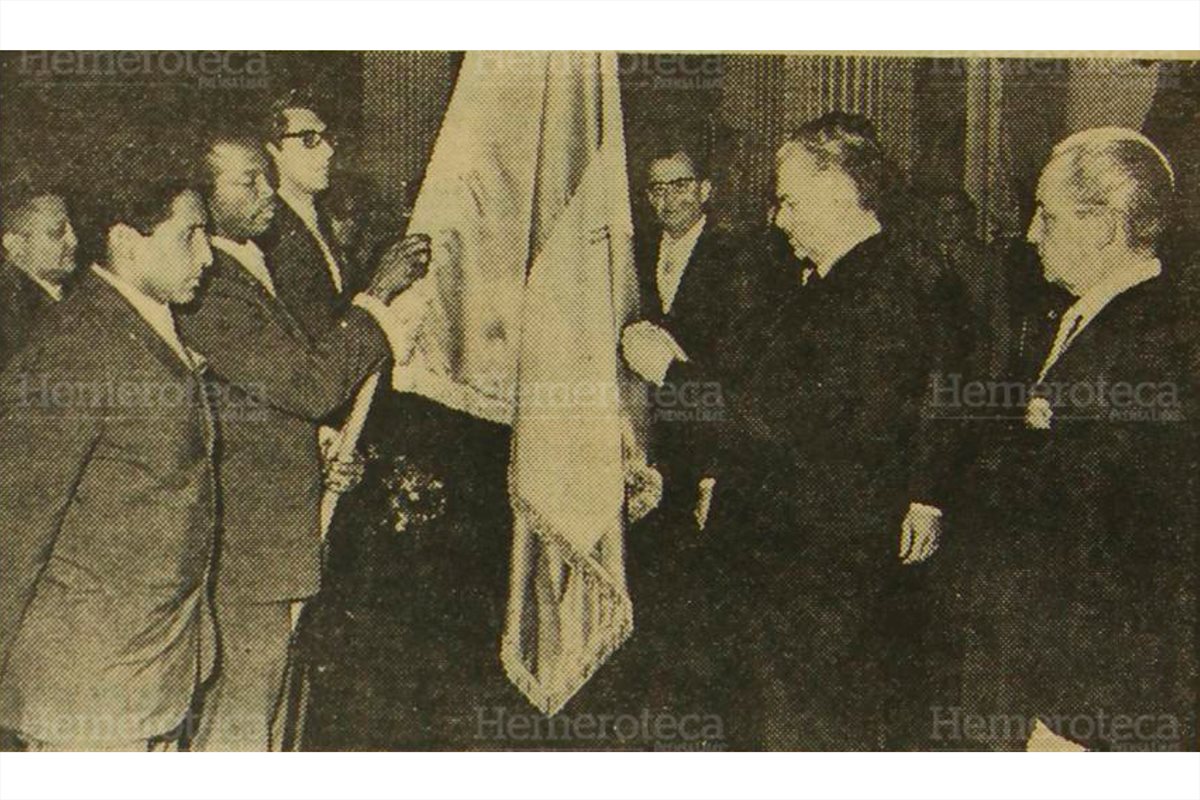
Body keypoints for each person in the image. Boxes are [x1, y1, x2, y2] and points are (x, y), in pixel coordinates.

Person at [632, 114, 950, 748]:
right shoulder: (835, 284)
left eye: (788, 200)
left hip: (813, 582)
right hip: (791, 573)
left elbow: (785, 423)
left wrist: (670, 372)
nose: (778, 219)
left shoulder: (877, 291)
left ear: (836, 190)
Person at [176, 135, 430, 751]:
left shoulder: (245, 266)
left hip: (279, 537)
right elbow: (307, 382)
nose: (268, 195)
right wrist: (376, 299)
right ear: (203, 198)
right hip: (249, 549)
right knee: (240, 726)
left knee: (274, 720)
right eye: (248, 183)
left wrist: (316, 451)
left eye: (266, 179)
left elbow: (260, 402)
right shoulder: (208, 286)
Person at [955, 128, 1197, 751]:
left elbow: (1126, 556)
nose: (1031, 234)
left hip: (1089, 703)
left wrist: (1074, 717)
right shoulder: (1081, 318)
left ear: (1105, 225)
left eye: (1047, 215)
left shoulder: (1152, 343)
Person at [0, 141, 217, 750]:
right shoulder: (78, 344)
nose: (207, 255)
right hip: (86, 687)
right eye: (189, 236)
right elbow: (16, 520)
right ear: (126, 241)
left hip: (151, 675)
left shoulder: (146, 325)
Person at [261, 89, 358, 340]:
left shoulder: (318, 215)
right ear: (273, 151)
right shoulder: (269, 232)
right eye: (309, 139)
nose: (328, 151)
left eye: (326, 138)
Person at [0, 183, 78, 369]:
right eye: (56, 233)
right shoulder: (7, 313)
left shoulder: (77, 291)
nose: (73, 241)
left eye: (71, 230)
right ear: (15, 244)